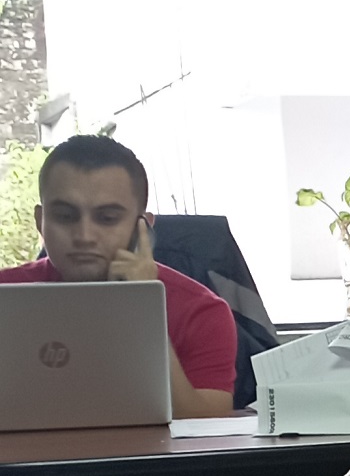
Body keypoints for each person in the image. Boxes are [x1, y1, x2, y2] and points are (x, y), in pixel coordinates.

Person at [0, 134, 238, 418]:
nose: (84, 236)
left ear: (143, 228)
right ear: (41, 221)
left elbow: (207, 424)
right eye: (65, 216)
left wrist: (144, 308)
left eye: (107, 218)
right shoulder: (5, 292)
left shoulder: (200, 311)